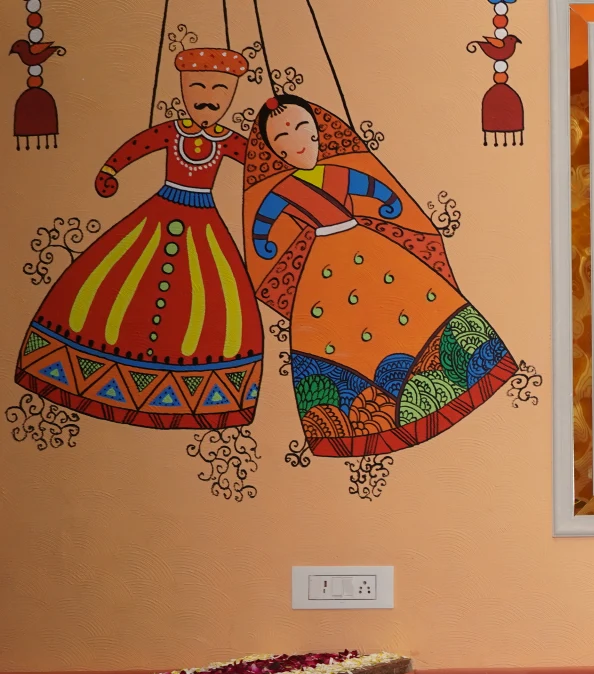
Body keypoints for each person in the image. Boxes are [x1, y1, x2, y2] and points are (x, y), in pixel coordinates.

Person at [243, 94, 516, 457]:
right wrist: (263, 243)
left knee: (411, 307)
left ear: (318, 132)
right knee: (335, 333)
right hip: (323, 267)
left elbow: (374, 189)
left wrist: (389, 203)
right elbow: (264, 222)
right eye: (282, 138)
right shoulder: (284, 191)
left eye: (303, 129)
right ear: (277, 152)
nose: (297, 142)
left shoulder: (339, 173)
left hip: (371, 248)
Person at [15, 48, 264, 429]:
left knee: (212, 297)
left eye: (219, 89)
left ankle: (197, 397)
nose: (207, 97)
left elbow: (259, 168)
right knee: (114, 283)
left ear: (230, 95)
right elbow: (139, 146)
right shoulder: (173, 131)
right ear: (183, 88)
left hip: (204, 223)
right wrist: (110, 170)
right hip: (159, 212)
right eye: (197, 86)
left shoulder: (227, 141)